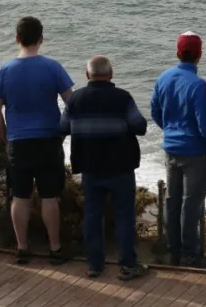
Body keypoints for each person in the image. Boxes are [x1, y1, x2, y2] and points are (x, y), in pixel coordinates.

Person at [0, 16, 74, 265]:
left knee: (20, 196)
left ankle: (22, 248)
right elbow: (72, 102)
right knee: (49, 196)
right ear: (41, 39)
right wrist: (63, 130)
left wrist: (5, 135)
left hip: (18, 141)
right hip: (48, 138)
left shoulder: (4, 70)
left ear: (16, 39)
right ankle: (55, 248)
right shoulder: (53, 67)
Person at [62, 56, 149, 281]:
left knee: (92, 216)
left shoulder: (75, 100)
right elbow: (140, 127)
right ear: (111, 74)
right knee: (124, 216)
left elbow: (62, 128)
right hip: (121, 166)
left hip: (90, 167)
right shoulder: (123, 98)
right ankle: (128, 265)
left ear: (87, 74)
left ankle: (94, 265)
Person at [150, 32, 206, 268]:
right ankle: (190, 254)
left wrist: (169, 130)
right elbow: (203, 124)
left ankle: (173, 251)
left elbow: (155, 111)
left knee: (172, 201)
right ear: (199, 55)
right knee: (191, 204)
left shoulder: (164, 78)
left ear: (178, 53)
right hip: (195, 151)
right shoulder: (198, 86)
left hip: (171, 147)